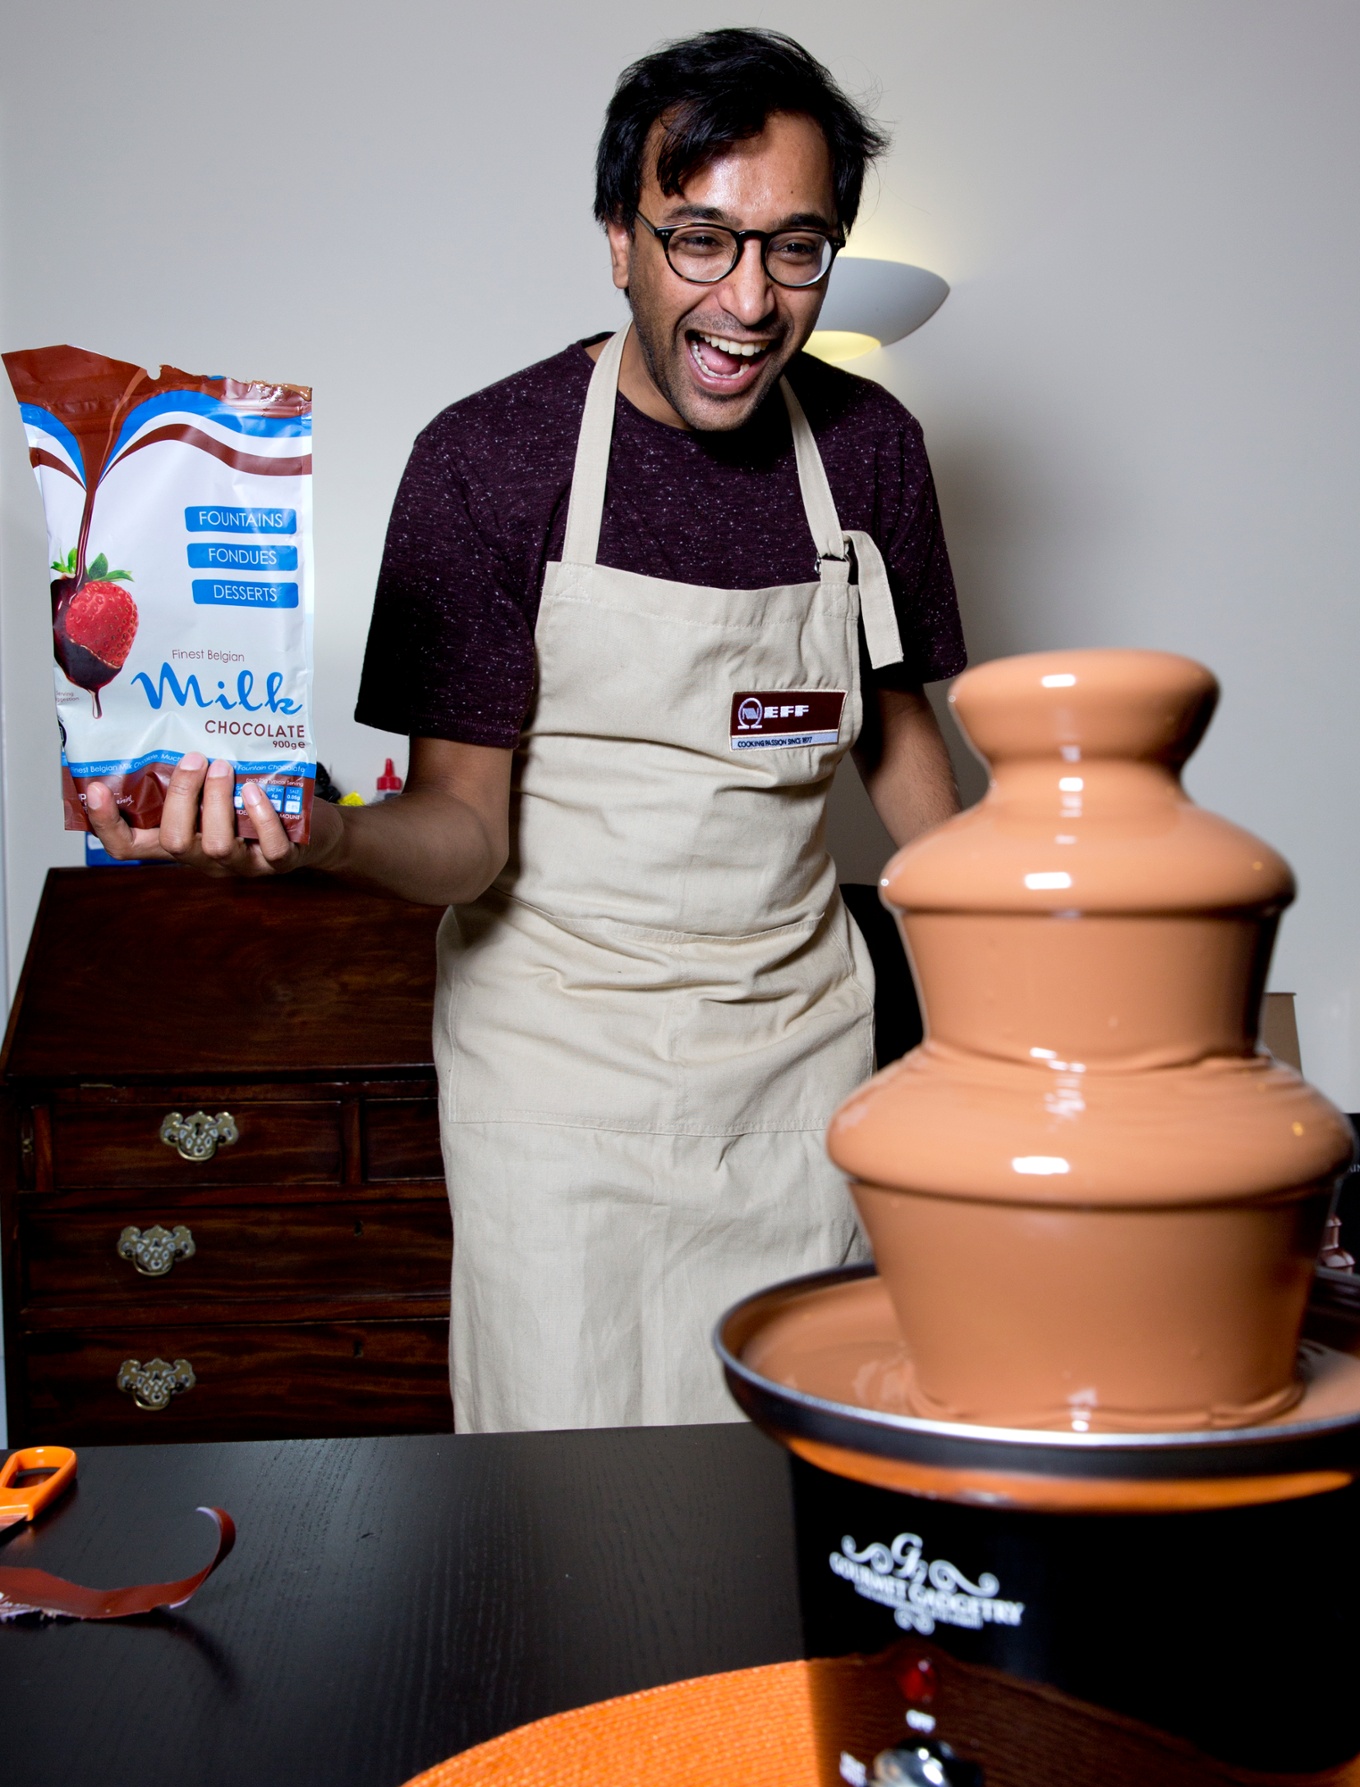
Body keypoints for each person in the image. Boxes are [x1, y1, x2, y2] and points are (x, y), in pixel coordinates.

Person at [86, 29, 967, 1432]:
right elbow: (465, 837)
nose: (748, 299)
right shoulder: (487, 463)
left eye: (795, 249)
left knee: (790, 1504)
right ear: (618, 238)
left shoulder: (868, 451)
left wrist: (1036, 999)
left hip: (805, 1071)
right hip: (565, 1091)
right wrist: (323, 836)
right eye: (699, 241)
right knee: (580, 1520)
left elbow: (909, 759)